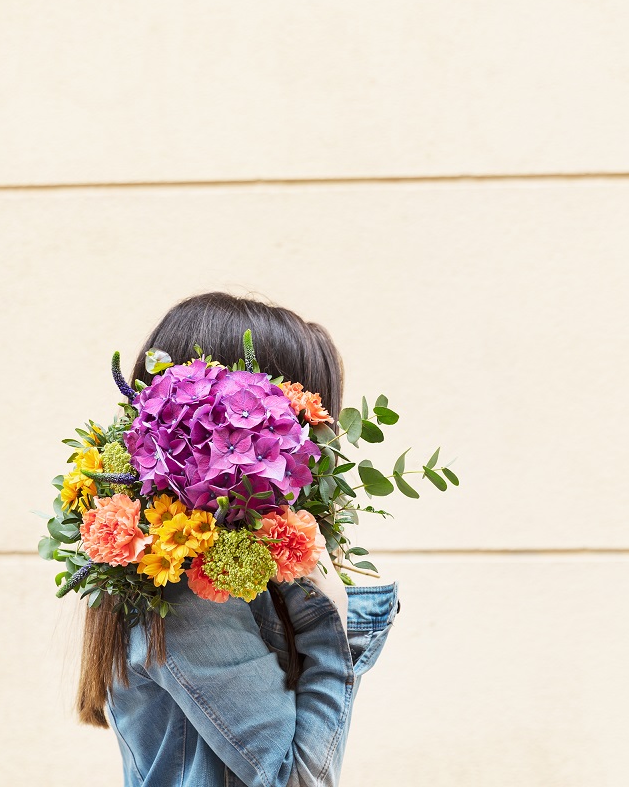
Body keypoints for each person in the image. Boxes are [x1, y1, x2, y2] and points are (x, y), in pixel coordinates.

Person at [76, 292, 400, 787]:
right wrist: (330, 629)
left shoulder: (217, 570)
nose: (318, 454)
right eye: (305, 424)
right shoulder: (190, 591)